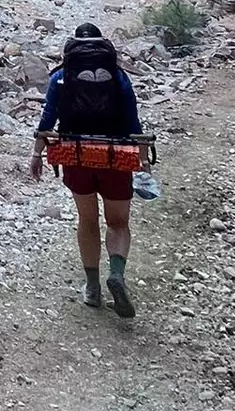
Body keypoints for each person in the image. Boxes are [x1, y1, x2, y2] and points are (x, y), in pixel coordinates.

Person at [30, 23, 148, 318]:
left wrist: (36, 154)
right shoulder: (119, 76)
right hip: (116, 155)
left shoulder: (61, 76)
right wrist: (143, 161)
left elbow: (48, 119)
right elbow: (134, 122)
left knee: (87, 219)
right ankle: (117, 273)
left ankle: (93, 287)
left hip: (76, 153)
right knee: (118, 222)